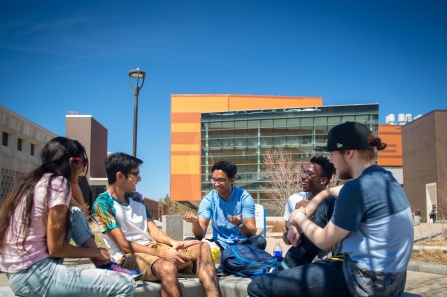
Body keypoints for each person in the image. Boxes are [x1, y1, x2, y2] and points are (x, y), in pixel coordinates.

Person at [248, 122, 414, 297]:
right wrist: (315, 202)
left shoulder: (357, 188)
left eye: (333, 154)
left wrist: (299, 217)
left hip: (361, 283)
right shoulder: (384, 178)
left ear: (349, 152)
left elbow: (323, 241)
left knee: (258, 287)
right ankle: (285, 268)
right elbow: (335, 192)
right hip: (392, 283)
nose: (332, 161)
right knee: (328, 202)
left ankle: (282, 269)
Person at [0, 137, 135, 297]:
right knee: (125, 285)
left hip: (21, 272)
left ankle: (105, 265)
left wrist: (74, 181)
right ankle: (102, 260)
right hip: (35, 274)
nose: (83, 168)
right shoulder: (58, 184)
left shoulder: (39, 180)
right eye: (83, 162)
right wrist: (96, 253)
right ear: (73, 162)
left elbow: (80, 206)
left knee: (75, 213)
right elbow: (56, 248)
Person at [92, 152, 220, 297]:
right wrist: (165, 254)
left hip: (152, 246)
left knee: (202, 247)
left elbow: (153, 230)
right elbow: (124, 245)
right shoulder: (102, 205)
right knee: (167, 268)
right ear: (120, 176)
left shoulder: (137, 198)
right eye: (135, 174)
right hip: (127, 256)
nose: (139, 179)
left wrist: (175, 243)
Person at [183, 160, 266, 251]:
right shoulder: (208, 199)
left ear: (231, 180)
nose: (216, 184)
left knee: (259, 241)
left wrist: (239, 224)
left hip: (241, 244)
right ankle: (230, 257)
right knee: (189, 241)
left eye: (221, 180)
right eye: (214, 180)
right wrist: (195, 222)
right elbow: (200, 234)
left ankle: (227, 256)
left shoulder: (244, 197)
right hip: (218, 244)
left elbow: (252, 232)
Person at [282, 156, 341, 267]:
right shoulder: (294, 200)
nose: (303, 176)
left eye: (309, 173)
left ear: (323, 180)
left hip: (327, 259)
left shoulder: (334, 202)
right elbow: (287, 241)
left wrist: (308, 210)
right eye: (303, 171)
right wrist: (293, 223)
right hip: (301, 259)